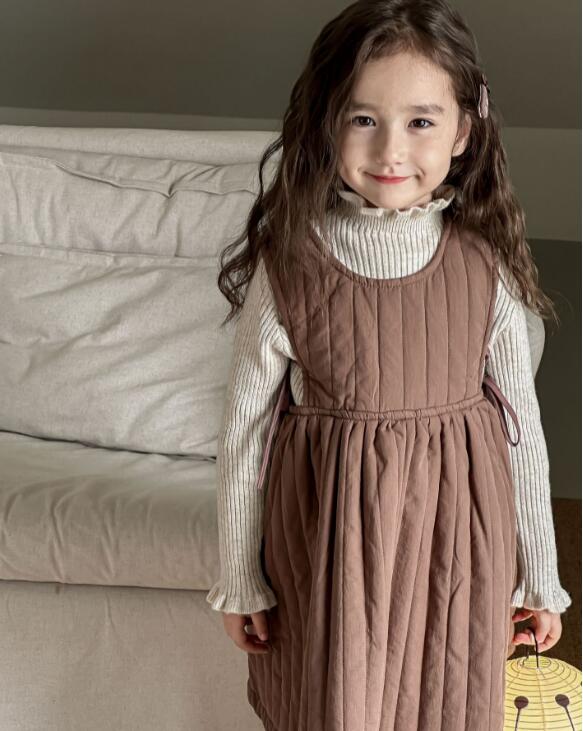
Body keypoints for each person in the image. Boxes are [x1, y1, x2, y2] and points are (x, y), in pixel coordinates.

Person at [206, 0, 572, 727]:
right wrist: (239, 576)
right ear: (327, 123)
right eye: (363, 118)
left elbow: (522, 432)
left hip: (457, 545)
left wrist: (541, 574)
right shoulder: (291, 267)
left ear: (463, 130)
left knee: (444, 701)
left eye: (420, 121)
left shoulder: (483, 266)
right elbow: (245, 432)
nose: (390, 150)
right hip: (331, 547)